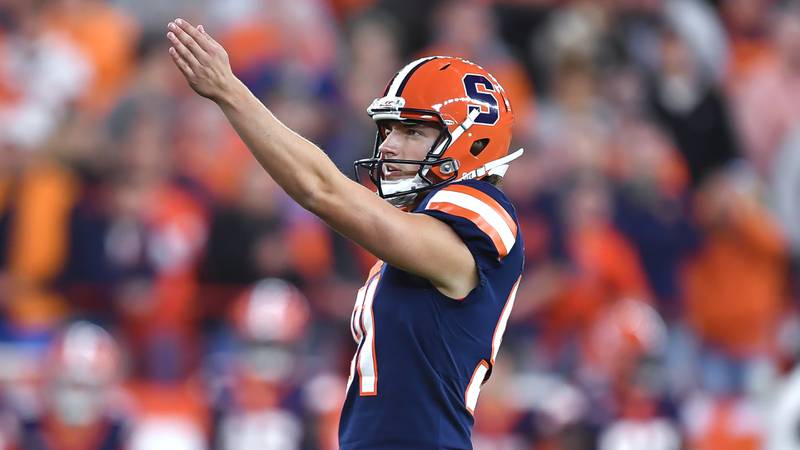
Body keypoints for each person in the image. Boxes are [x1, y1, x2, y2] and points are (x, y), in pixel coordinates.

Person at [166, 17, 525, 449]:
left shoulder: (482, 211)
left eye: (412, 131)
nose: (389, 145)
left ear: (474, 144)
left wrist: (230, 91)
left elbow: (321, 190)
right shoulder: (415, 239)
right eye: (389, 129)